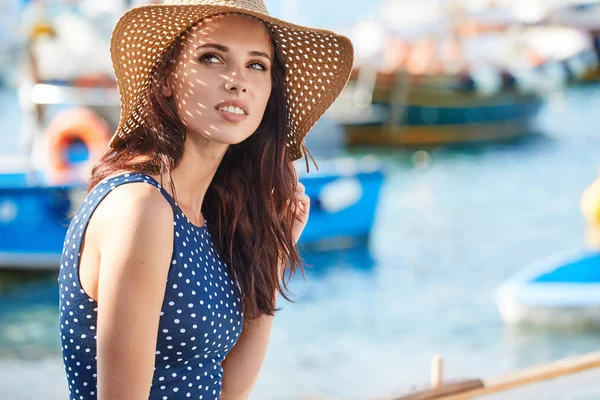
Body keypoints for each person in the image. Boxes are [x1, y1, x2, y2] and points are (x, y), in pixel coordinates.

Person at [57, 0, 354, 399]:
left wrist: (272, 256)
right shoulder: (140, 206)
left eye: (256, 65)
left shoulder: (207, 216)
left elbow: (228, 391)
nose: (237, 80)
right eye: (212, 57)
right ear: (165, 78)